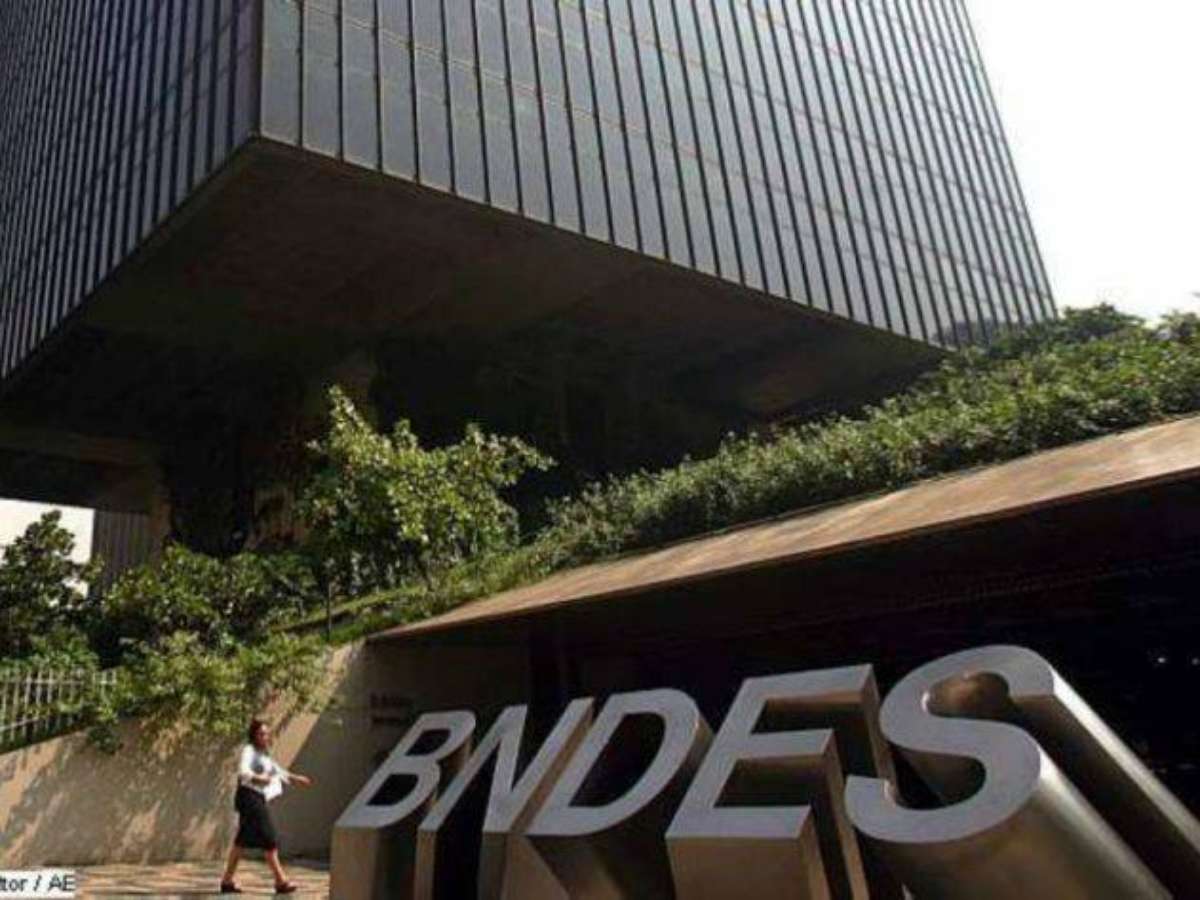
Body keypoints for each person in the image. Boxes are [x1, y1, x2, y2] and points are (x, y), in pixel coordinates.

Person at [220, 719, 315, 894]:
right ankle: (281, 881)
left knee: (241, 840)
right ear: (254, 735)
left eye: (266, 734)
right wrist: (259, 778)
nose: (265, 737)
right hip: (249, 797)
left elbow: (278, 771)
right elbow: (243, 772)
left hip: (257, 797)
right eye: (261, 734)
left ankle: (227, 881)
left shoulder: (264, 755)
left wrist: (297, 779)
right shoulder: (249, 751)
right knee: (269, 837)